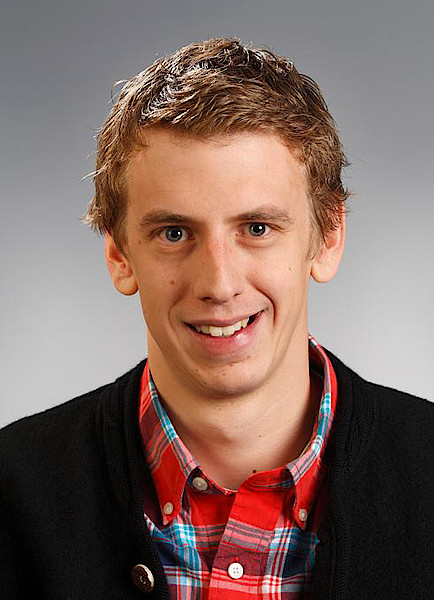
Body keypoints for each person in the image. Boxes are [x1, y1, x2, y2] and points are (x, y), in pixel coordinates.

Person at [1, 37, 433, 600]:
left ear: (328, 238)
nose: (219, 284)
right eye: (174, 233)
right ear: (119, 255)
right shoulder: (12, 492)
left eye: (257, 228)